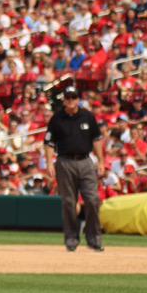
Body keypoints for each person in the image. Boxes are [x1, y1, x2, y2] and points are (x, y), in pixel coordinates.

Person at [45, 86, 105, 252]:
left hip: (85, 161)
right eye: (68, 97)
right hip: (64, 161)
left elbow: (97, 139)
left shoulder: (87, 116)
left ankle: (94, 237)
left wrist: (101, 161)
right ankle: (71, 237)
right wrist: (49, 163)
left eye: (73, 97)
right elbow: (49, 142)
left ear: (78, 99)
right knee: (69, 203)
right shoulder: (57, 118)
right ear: (64, 99)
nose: (70, 100)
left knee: (92, 200)